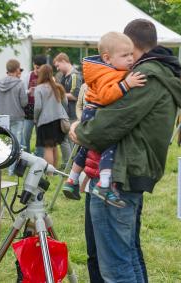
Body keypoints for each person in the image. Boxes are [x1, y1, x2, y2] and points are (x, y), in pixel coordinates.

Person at [69, 19, 181, 282]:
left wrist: (79, 130)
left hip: (121, 175)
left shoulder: (147, 76)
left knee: (116, 267)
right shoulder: (160, 72)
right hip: (130, 170)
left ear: (132, 45)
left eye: (127, 51)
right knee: (127, 255)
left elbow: (113, 121)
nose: (127, 58)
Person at [63, 32, 146, 208]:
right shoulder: (108, 74)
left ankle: (72, 179)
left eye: (131, 54)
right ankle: (104, 184)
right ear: (107, 58)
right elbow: (106, 96)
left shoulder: (106, 69)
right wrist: (126, 85)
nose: (131, 59)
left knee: (85, 148)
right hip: (96, 111)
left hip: (90, 111)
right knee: (110, 143)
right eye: (125, 55)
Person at [0, 59, 27, 175]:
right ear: (17, 69)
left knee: (0, 143)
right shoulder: (20, 83)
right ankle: (11, 170)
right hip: (17, 117)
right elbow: (24, 102)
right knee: (15, 144)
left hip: (1, 117)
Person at [33, 64, 68, 167]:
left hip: (45, 121)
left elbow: (38, 107)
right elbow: (65, 102)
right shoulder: (57, 87)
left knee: (47, 148)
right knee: (54, 147)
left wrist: (35, 118)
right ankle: (55, 170)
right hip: (58, 120)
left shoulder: (39, 88)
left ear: (41, 74)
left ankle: (49, 173)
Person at [53, 53, 83, 169]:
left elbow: (75, 95)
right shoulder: (65, 76)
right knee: (68, 140)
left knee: (68, 140)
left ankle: (69, 165)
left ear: (64, 61)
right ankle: (70, 165)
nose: (57, 69)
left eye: (58, 65)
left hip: (72, 114)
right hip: (66, 113)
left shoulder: (74, 76)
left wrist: (58, 94)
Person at [22, 54, 46, 157]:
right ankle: (27, 156)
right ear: (33, 65)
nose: (37, 70)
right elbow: (22, 92)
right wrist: (28, 91)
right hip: (29, 109)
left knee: (40, 136)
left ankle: (38, 156)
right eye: (36, 67)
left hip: (41, 110)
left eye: (39, 68)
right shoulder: (28, 76)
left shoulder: (46, 78)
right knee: (26, 135)